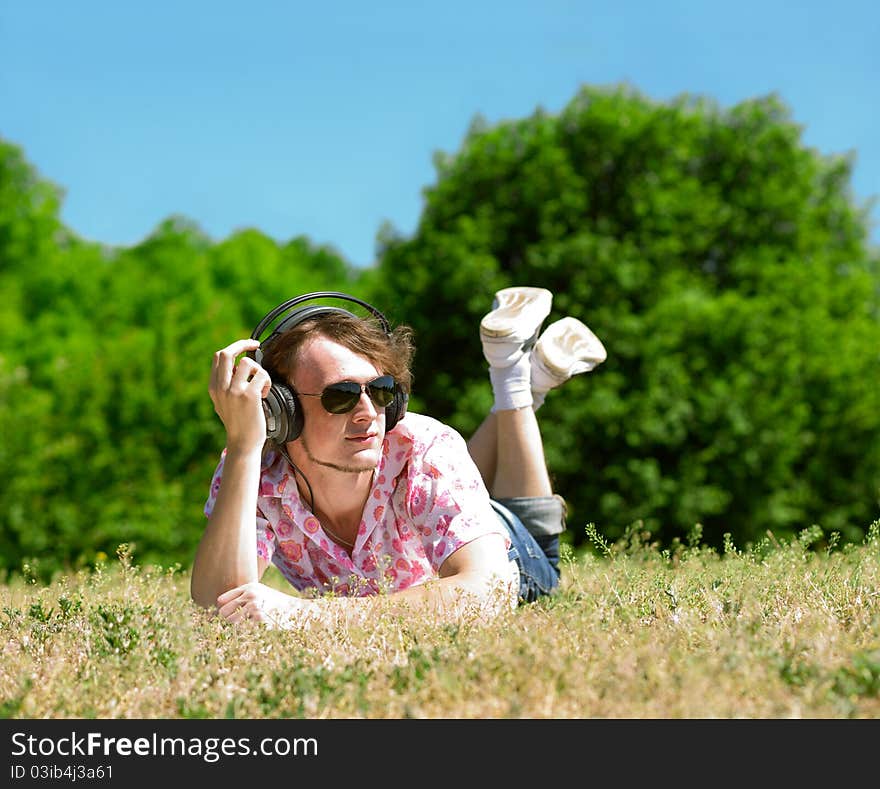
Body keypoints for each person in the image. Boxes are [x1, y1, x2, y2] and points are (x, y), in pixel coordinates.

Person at [191, 286, 607, 628]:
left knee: (541, 542)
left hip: (508, 549)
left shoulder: (422, 443)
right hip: (440, 508)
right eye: (342, 396)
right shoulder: (252, 468)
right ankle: (524, 382)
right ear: (282, 411)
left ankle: (513, 381)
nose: (369, 412)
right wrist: (245, 448)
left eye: (381, 390)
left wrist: (312, 618)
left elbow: (489, 590)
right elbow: (219, 604)